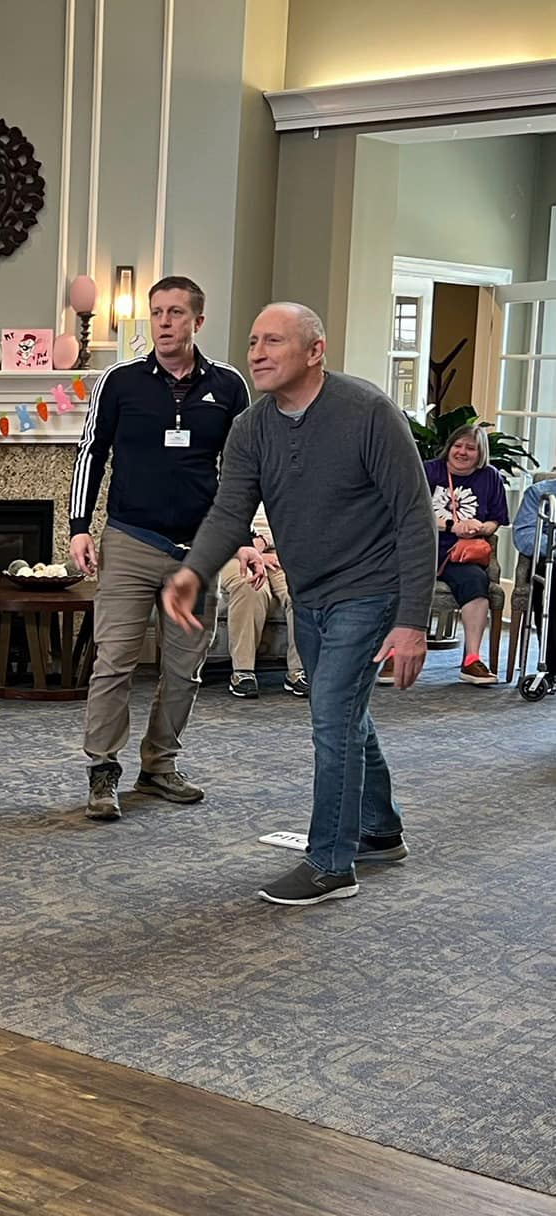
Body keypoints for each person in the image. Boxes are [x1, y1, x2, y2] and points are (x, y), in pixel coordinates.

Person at [164, 302, 434, 907]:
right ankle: (381, 830)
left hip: (369, 589)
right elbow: (231, 510)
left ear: (315, 351)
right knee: (344, 715)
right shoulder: (251, 428)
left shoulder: (368, 413)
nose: (257, 352)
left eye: (274, 341)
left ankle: (332, 863)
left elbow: (415, 519)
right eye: (253, 341)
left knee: (332, 718)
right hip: (309, 592)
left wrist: (412, 620)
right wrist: (193, 571)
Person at [68, 275, 251, 821]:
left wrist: (242, 539)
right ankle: (103, 771)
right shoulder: (119, 381)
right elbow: (90, 452)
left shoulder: (229, 385)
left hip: (198, 553)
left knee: (184, 669)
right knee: (114, 662)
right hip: (129, 540)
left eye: (175, 313)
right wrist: (79, 526)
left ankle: (160, 765)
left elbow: (242, 471)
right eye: (157, 313)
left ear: (198, 320)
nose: (165, 323)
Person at [418, 424, 508, 686]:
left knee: (476, 583)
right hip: (425, 545)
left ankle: (471, 660)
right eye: (458, 446)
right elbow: (412, 510)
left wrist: (480, 528)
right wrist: (451, 526)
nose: (462, 452)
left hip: (463, 552)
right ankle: (392, 653)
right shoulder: (428, 470)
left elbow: (497, 519)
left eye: (471, 448)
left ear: (480, 454)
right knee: (398, 579)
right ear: (449, 448)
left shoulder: (490, 477)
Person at [220, 506, 307, 699]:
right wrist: (251, 550)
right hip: (232, 552)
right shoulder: (222, 480)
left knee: (300, 592)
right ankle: (243, 671)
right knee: (250, 587)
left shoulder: (287, 479)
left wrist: (265, 543)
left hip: (280, 551)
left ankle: (299, 670)